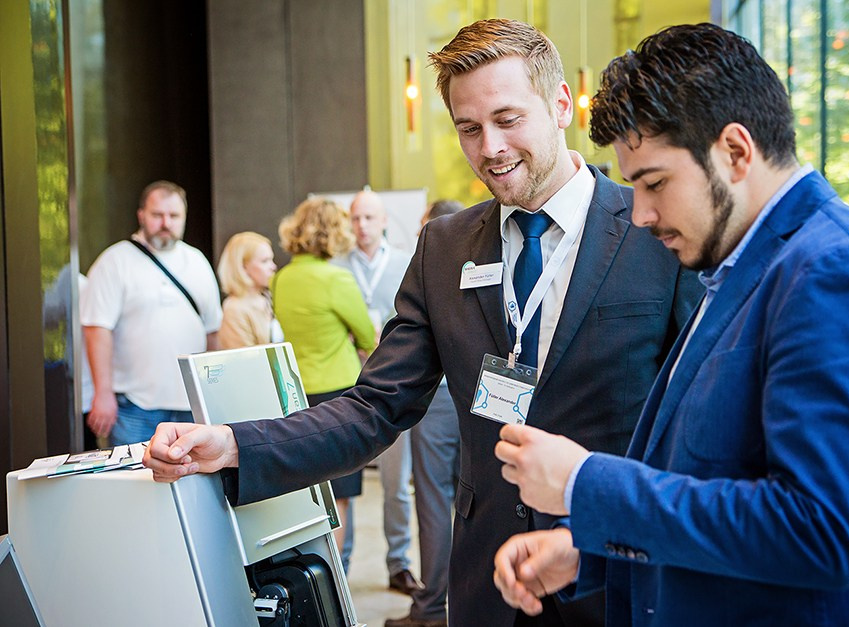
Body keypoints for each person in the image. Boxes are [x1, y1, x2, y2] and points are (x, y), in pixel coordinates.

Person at [144, 19, 700, 627]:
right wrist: (234, 444)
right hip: (488, 585)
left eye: (508, 119)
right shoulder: (445, 247)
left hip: (616, 580)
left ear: (561, 104)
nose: (490, 148)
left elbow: (693, 430)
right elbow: (375, 407)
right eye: (469, 128)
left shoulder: (655, 230)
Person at [492, 23, 849, 626]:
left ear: (735, 151)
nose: (641, 214)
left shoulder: (838, 271)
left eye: (655, 183)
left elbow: (822, 532)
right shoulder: (740, 267)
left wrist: (585, 483)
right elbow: (715, 477)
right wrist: (588, 547)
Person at [272, 196, 377, 573]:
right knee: (340, 497)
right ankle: (336, 581)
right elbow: (368, 337)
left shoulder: (281, 278)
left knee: (307, 495)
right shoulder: (336, 279)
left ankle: (311, 580)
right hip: (339, 395)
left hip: (296, 393)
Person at [82, 180, 222, 446]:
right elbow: (96, 329)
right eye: (157, 215)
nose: (166, 223)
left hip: (191, 407)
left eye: (174, 216)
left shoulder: (197, 261)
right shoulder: (115, 261)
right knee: (133, 475)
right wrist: (102, 393)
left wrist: (212, 394)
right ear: (141, 215)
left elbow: (212, 332)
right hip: (134, 408)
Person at [332, 189, 420, 595]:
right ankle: (341, 566)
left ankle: (399, 563)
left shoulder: (406, 263)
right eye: (355, 218)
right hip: (347, 385)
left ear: (384, 221)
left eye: (369, 217)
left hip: (394, 385)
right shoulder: (336, 268)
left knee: (396, 482)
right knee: (343, 482)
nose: (362, 225)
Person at [386, 199, 466, 627]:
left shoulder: (432, 263)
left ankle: (432, 607)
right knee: (482, 500)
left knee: (434, 503)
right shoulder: (490, 257)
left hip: (436, 400)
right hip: (482, 399)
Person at [217, 231, 282, 349]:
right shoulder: (234, 309)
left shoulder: (268, 298)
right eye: (265, 261)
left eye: (271, 260)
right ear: (242, 266)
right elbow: (245, 357)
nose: (273, 267)